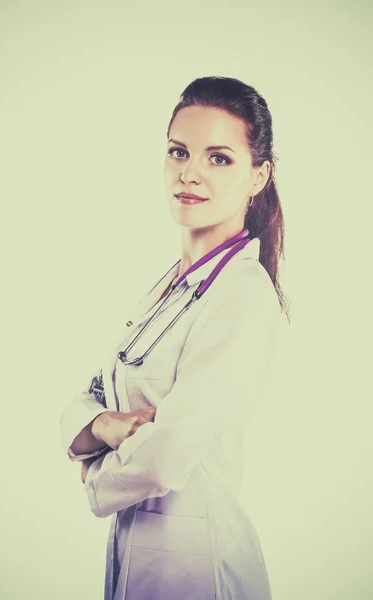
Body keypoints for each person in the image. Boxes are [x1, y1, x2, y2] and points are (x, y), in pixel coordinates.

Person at [59, 75, 290, 600]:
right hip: (137, 556)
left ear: (259, 176)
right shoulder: (170, 286)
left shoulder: (242, 298)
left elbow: (164, 458)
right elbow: (89, 396)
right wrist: (104, 425)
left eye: (219, 158)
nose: (189, 173)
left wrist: (95, 472)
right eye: (178, 151)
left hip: (198, 567)